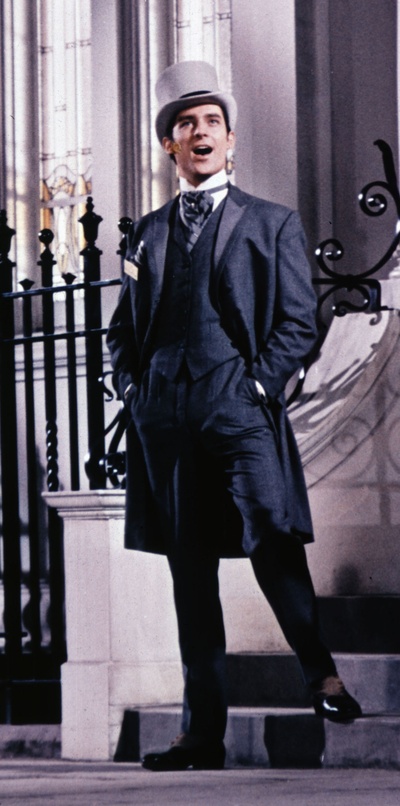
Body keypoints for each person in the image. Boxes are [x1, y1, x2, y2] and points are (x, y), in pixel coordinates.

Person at [107, 60, 362, 772]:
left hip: (239, 408)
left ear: (231, 138)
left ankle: (320, 674)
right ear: (169, 144)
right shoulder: (146, 234)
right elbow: (122, 330)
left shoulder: (272, 222)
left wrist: (255, 386)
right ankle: (202, 735)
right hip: (165, 418)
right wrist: (133, 389)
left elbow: (298, 321)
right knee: (190, 573)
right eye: (186, 123)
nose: (201, 132)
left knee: (271, 535)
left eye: (212, 121)